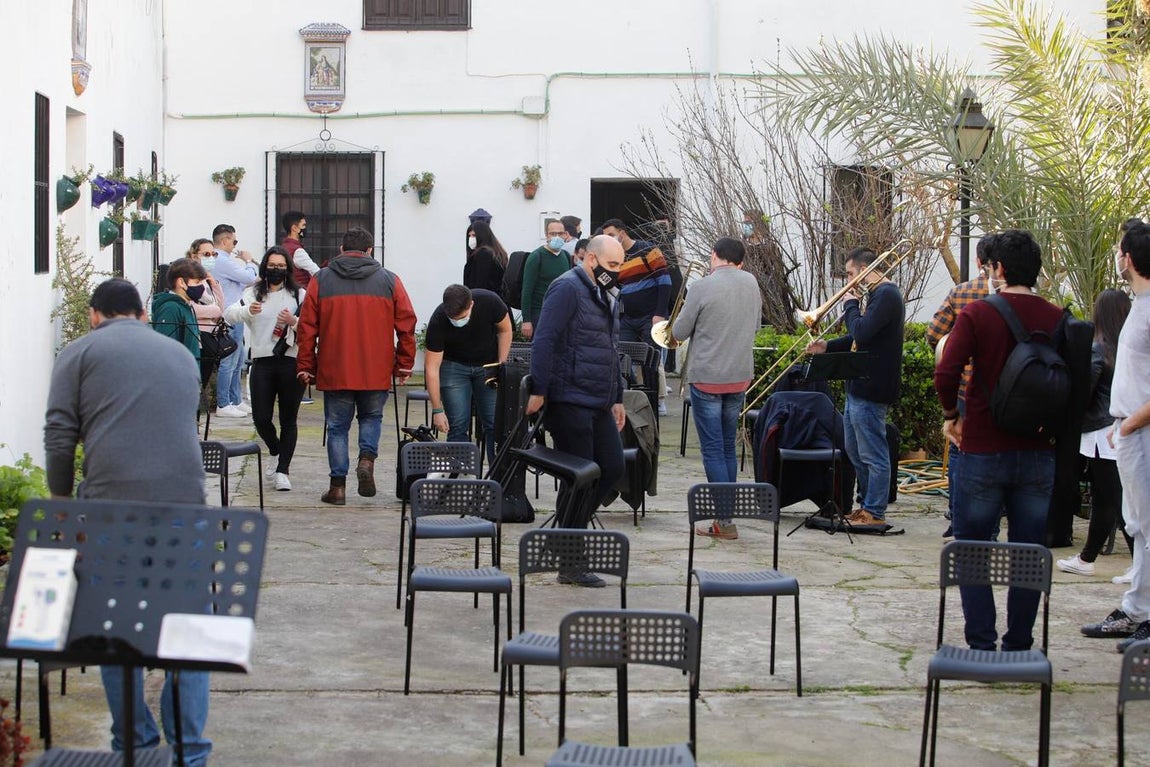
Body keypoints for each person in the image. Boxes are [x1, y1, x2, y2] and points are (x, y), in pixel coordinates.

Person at [43, 278, 212, 766]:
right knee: (185, 632)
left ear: (94, 316)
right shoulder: (179, 355)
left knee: (116, 630)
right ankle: (190, 752)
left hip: (110, 510)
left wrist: (61, 501)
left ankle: (134, 745)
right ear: (142, 314)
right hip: (184, 507)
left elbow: (60, 434)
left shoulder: (78, 353)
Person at [935, 229, 1064, 652]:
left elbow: (945, 371)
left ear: (999, 268)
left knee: (973, 546)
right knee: (1028, 552)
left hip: (983, 448)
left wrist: (952, 417)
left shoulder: (979, 313)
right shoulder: (1057, 317)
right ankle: (1020, 643)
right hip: (1038, 451)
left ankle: (981, 641)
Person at [526, 234, 627, 587]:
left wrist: (617, 395)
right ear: (591, 260)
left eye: (620, 266)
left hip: (598, 399)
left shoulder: (605, 292)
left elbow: (610, 347)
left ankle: (565, 535)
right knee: (580, 478)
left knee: (612, 467)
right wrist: (539, 389)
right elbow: (544, 339)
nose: (616, 272)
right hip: (569, 398)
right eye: (611, 265)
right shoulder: (567, 288)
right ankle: (570, 560)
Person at [296, 226, 417, 505]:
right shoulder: (389, 280)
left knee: (337, 427)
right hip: (376, 369)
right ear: (370, 250)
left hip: (334, 367)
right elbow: (406, 324)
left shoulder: (321, 279)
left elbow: (307, 327)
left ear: (341, 249)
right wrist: (404, 364)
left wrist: (306, 365)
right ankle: (366, 460)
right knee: (371, 418)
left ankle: (337, 487)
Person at [1081, 221, 1150, 650]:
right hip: (1127, 429)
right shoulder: (1137, 305)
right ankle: (1136, 610)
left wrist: (1129, 422)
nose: (1117, 258)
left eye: (1120, 251)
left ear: (1130, 257)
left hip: (1140, 430)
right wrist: (1119, 424)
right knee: (1138, 525)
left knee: (1147, 525)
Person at [669, 237, 762, 540]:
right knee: (727, 447)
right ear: (741, 261)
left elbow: (679, 331)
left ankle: (724, 519)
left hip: (708, 376)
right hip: (739, 376)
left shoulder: (701, 286)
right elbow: (755, 326)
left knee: (712, 449)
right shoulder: (751, 283)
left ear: (714, 255)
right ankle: (726, 516)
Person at [807, 246, 905, 526]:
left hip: (873, 386)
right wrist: (826, 346)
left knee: (873, 453)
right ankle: (866, 506)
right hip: (859, 384)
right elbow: (861, 338)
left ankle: (875, 511)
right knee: (855, 450)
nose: (849, 280)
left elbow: (861, 330)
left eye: (850, 274)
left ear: (864, 269)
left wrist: (849, 305)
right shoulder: (877, 295)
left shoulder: (887, 294)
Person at [927, 234, 999, 538]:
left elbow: (934, 334)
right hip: (1004, 391)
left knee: (959, 453)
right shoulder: (1014, 296)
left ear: (979, 261)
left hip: (965, 388)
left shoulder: (961, 293)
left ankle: (958, 520)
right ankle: (990, 527)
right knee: (995, 456)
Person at [1057, 289, 1132, 576]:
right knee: (1107, 496)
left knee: (1113, 497)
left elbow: (1084, 393)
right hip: (1122, 426)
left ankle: (1139, 563)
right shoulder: (1128, 348)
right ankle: (1088, 558)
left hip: (1102, 431)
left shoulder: (1099, 349)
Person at [226, 247, 307, 492]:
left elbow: (313, 326)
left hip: (290, 361)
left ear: (288, 268)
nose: (276, 269)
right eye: (272, 265)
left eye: (281, 265)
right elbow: (229, 314)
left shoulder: (299, 295)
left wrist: (294, 321)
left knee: (288, 419)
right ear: (264, 267)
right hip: (262, 361)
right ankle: (275, 450)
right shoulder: (253, 293)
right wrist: (247, 311)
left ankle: (283, 470)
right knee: (261, 418)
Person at [425, 285, 512, 463]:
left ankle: (498, 475)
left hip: (487, 365)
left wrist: (501, 365)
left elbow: (505, 330)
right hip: (453, 367)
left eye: (462, 317)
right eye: (453, 319)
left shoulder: (490, 301)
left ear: (471, 304)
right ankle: (461, 474)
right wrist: (437, 410)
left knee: (494, 423)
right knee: (457, 425)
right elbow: (432, 368)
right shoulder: (439, 319)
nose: (458, 321)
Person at [600, 218, 673, 415]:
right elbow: (609, 283)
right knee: (622, 357)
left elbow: (665, 281)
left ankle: (657, 401)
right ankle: (629, 399)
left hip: (651, 316)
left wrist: (659, 313)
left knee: (651, 360)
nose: (608, 240)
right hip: (627, 317)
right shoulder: (614, 257)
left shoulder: (648, 250)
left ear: (622, 233)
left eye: (611, 235)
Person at [211, 223, 258, 418]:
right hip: (229, 315)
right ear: (225, 241)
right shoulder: (221, 259)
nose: (235, 246)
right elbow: (249, 278)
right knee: (229, 360)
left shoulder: (219, 260)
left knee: (238, 360)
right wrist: (248, 261)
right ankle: (224, 403)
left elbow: (240, 282)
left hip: (234, 312)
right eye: (234, 241)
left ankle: (235, 399)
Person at [151, 257, 207, 373]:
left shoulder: (186, 306)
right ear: (181, 282)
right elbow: (165, 350)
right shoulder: (170, 309)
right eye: (197, 282)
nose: (201, 287)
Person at [520, 218, 572, 340]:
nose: (557, 237)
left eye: (560, 233)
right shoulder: (536, 256)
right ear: (546, 235)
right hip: (540, 314)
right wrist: (526, 320)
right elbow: (527, 290)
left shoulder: (566, 256)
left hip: (562, 314)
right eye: (553, 233)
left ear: (565, 234)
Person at [186, 239, 227, 383]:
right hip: (197, 336)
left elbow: (220, 308)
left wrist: (214, 284)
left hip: (211, 337)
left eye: (214, 254)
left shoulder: (208, 280)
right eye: (206, 254)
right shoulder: (188, 279)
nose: (211, 258)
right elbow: (190, 308)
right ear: (194, 256)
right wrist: (214, 311)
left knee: (205, 380)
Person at [463, 220, 508, 296]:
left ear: (482, 236)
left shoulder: (483, 254)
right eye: (469, 236)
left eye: (474, 235)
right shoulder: (494, 253)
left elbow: (481, 283)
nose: (471, 238)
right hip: (495, 298)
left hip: (483, 299)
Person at [281, 210, 321, 289]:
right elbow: (317, 272)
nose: (305, 228)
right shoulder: (297, 251)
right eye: (303, 225)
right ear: (294, 228)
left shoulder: (283, 247)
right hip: (301, 292)